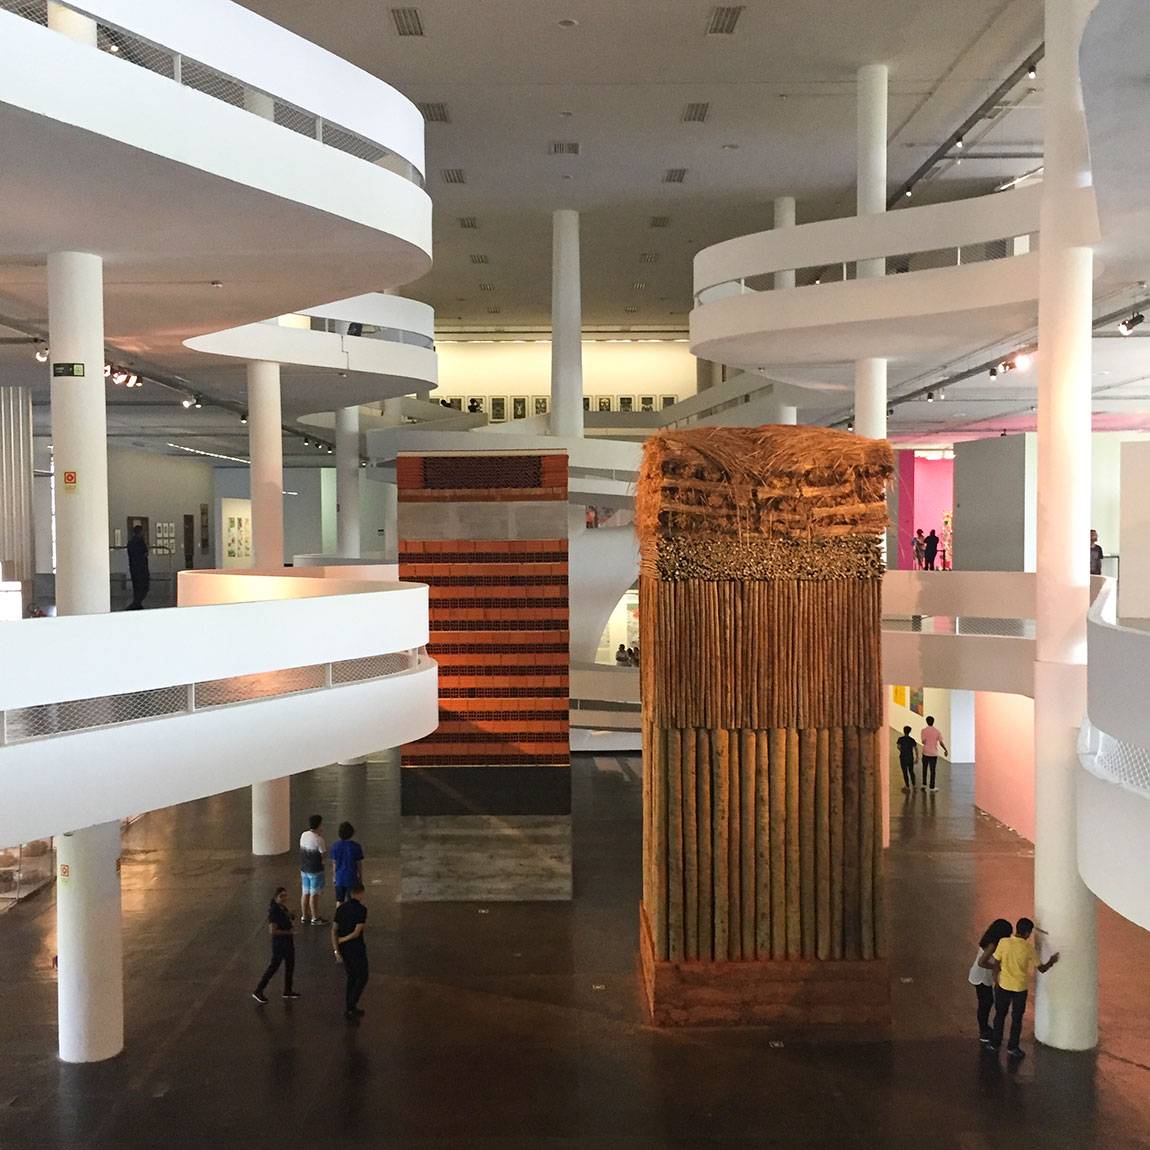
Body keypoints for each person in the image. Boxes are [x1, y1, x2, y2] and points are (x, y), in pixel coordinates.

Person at [980, 916, 1060, 1058]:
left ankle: (995, 1043)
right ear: (1027, 934)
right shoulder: (1029, 949)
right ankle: (1013, 1047)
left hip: (1003, 986)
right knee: (1016, 1019)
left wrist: (996, 981)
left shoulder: (1004, 942)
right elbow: (1041, 968)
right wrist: (1052, 961)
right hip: (1019, 989)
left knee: (999, 1016)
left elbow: (997, 964)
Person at [252, 886, 300, 1004]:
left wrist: (292, 915)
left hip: (287, 942)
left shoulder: (281, 907)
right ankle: (258, 990)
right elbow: (272, 931)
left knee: (290, 964)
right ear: (275, 897)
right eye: (281, 896)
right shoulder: (274, 911)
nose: (284, 898)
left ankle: (287, 990)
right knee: (274, 967)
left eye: (285, 895)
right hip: (280, 944)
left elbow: (288, 917)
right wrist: (289, 932)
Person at [969, 918, 1012, 1043]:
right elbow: (982, 962)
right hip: (981, 977)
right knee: (985, 1003)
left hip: (980, 976)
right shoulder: (993, 944)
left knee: (985, 1003)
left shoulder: (988, 939)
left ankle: (984, 1028)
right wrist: (997, 967)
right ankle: (983, 1031)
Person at [332, 882, 369, 1020]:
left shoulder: (340, 909)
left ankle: (350, 1007)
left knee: (351, 976)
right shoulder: (361, 909)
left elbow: (334, 929)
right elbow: (357, 932)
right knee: (363, 976)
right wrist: (343, 939)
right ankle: (350, 1004)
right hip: (356, 947)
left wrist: (336, 947)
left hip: (344, 949)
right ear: (359, 893)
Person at [299, 813, 327, 925]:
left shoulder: (304, 835)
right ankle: (315, 918)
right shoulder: (319, 839)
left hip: (304, 868)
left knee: (305, 892)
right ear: (319, 825)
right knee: (314, 894)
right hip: (315, 870)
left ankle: (304, 915)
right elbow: (323, 854)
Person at [331, 821, 364, 906]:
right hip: (352, 878)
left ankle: (339, 917)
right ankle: (351, 917)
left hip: (339, 878)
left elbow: (334, 863)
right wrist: (360, 877)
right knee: (352, 900)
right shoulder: (356, 847)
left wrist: (334, 877)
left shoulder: (335, 846)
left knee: (339, 900)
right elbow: (359, 864)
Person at [920, 715, 948, 792]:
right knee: (933, 770)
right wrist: (945, 749)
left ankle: (924, 784)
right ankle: (932, 787)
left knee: (924, 769)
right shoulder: (937, 731)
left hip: (925, 752)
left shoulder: (923, 730)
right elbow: (941, 742)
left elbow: (923, 741)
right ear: (933, 722)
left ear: (926, 722)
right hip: (933, 753)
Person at [126, 523, 150, 610]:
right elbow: (145, 553)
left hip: (133, 568)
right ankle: (136, 603)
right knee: (144, 586)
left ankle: (137, 603)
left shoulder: (130, 543)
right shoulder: (140, 542)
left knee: (136, 586)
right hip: (142, 568)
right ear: (140, 532)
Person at [896, 725, 918, 792]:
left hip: (903, 757)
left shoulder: (900, 739)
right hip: (910, 757)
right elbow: (916, 749)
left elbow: (898, 746)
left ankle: (907, 786)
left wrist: (902, 750)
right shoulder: (912, 740)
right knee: (911, 771)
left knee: (905, 771)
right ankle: (914, 785)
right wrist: (917, 757)